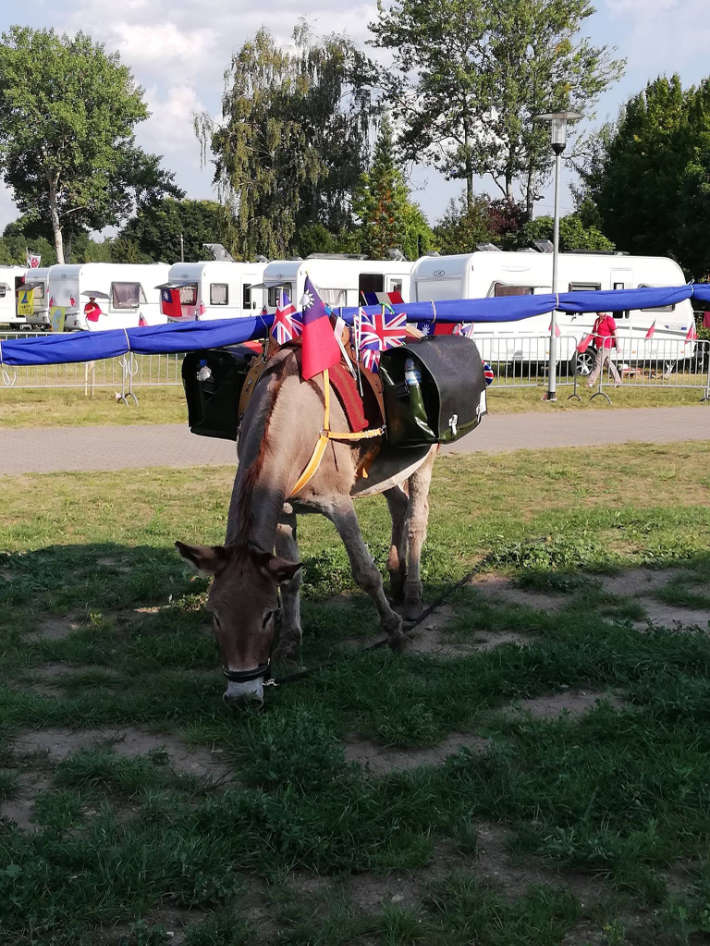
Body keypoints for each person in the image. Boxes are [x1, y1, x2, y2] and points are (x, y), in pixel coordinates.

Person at [587, 311, 622, 387]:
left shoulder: (609, 319)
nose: (596, 312)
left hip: (606, 345)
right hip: (599, 345)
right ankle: (618, 381)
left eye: (598, 311)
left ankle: (590, 382)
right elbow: (593, 332)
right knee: (608, 363)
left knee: (598, 362)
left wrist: (618, 345)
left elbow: (615, 332)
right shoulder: (597, 320)